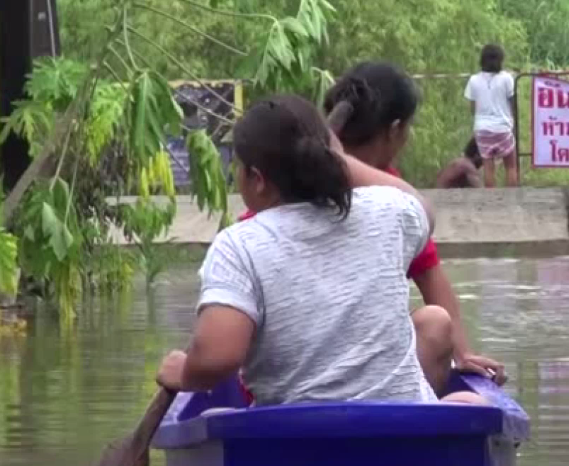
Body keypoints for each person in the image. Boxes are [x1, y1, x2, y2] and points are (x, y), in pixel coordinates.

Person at [155, 94, 482, 407]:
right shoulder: (390, 210)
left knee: (218, 418)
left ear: (256, 178)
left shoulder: (238, 244)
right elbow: (423, 208)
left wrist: (184, 372)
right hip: (397, 428)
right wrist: (339, 160)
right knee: (469, 403)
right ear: (334, 158)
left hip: (296, 440)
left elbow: (218, 356)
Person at [238, 61, 504, 397]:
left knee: (435, 323)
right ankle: (412, 428)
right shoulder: (395, 203)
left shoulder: (280, 187)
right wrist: (462, 354)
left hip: (287, 390)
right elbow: (433, 279)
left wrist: (463, 354)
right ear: (395, 130)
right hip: (324, 386)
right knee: (437, 326)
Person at [465, 44, 518, 188]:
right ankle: (512, 198)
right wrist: (512, 122)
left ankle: (491, 202)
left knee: (488, 167)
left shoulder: (473, 80)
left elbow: (472, 108)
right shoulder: (507, 78)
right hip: (503, 127)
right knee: (511, 166)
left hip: (482, 129)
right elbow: (512, 103)